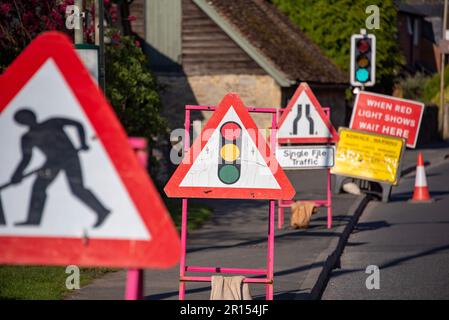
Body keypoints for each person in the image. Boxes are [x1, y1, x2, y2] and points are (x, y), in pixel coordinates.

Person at [10, 109, 110, 228]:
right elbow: (26, 158)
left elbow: (77, 124)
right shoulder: (27, 138)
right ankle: (33, 220)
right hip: (51, 163)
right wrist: (17, 174)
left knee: (77, 188)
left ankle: (102, 211)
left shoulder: (53, 122)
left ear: (33, 116)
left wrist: (82, 142)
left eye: (27, 117)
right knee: (38, 187)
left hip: (70, 158)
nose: (26, 120)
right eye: (22, 119)